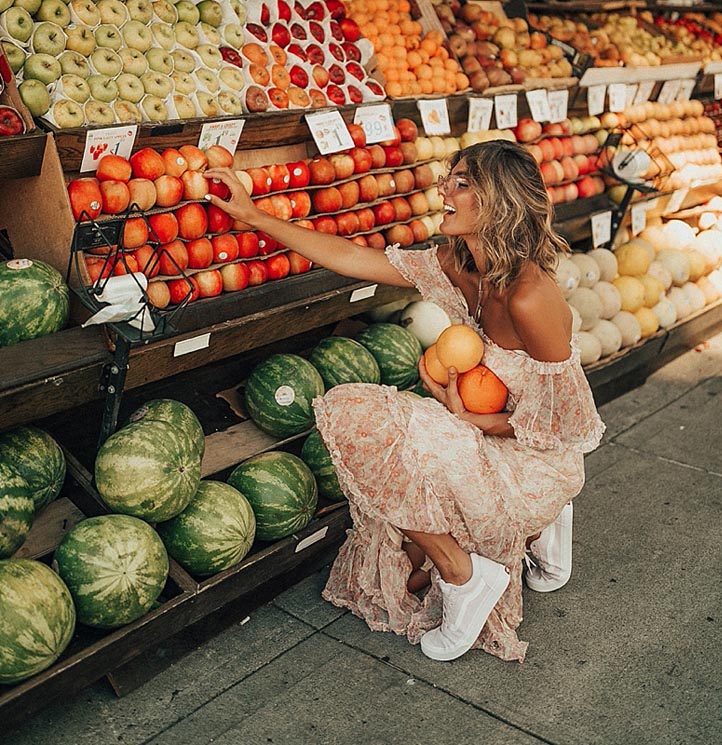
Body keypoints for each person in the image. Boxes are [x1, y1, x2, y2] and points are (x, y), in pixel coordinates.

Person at [205, 138, 605, 663]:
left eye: (463, 183)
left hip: (537, 455)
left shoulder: (531, 298)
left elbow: (567, 424)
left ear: (499, 201)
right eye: (450, 178)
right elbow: (352, 258)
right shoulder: (453, 263)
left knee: (391, 471)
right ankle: (496, 548)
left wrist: (469, 418)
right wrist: (255, 216)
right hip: (484, 421)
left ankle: (471, 572)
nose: (444, 189)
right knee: (352, 416)